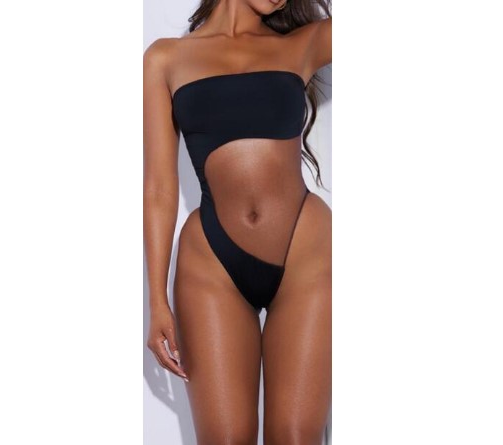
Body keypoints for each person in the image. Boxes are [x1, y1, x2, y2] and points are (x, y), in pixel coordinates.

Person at [144, 0, 332, 443]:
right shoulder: (165, 57)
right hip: (211, 261)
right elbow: (159, 188)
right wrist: (156, 301)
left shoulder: (305, 43)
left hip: (304, 252)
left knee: (295, 436)